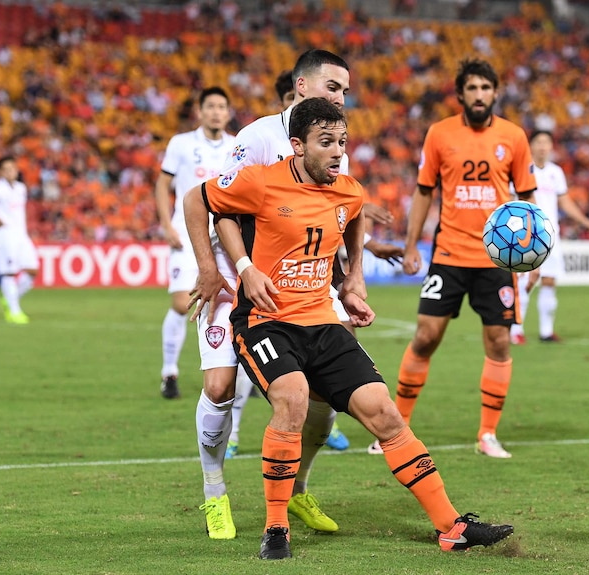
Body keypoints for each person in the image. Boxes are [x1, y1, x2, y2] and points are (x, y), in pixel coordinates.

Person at [185, 96, 515, 560]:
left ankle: (450, 527)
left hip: (322, 320)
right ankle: (276, 528)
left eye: (342, 141)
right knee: (293, 399)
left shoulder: (348, 189)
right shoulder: (260, 181)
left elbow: (354, 216)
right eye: (326, 142)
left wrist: (353, 280)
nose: (338, 151)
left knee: (385, 413)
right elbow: (197, 201)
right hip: (266, 321)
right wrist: (236, 267)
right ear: (297, 146)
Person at [215, 50, 402, 533]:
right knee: (218, 386)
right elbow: (213, 204)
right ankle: (215, 493)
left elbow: (343, 206)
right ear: (302, 86)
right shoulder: (256, 138)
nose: (342, 98)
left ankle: (297, 490)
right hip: (242, 282)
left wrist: (355, 272)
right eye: (334, 87)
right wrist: (221, 268)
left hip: (312, 288)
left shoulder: (331, 138)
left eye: (345, 91)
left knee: (321, 399)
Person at [375, 58, 537, 459]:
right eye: (472, 88)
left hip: (498, 261)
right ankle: (395, 430)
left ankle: (487, 435)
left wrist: (533, 259)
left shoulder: (514, 137)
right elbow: (424, 191)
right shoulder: (439, 134)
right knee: (426, 336)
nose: (479, 94)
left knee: (499, 341)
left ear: (495, 93)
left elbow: (529, 199)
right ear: (461, 94)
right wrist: (412, 245)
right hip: (448, 254)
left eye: (486, 88)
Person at [155, 87, 234, 399]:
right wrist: (165, 223)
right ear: (200, 112)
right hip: (185, 234)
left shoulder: (237, 145)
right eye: (210, 106)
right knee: (180, 303)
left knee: (231, 304)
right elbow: (163, 185)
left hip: (225, 238)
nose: (216, 112)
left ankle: (238, 372)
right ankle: (169, 371)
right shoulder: (181, 144)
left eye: (221, 107)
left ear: (228, 113)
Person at [510, 130, 589, 345]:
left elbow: (565, 202)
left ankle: (546, 331)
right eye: (538, 142)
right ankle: (516, 330)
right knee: (524, 282)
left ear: (552, 147)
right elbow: (508, 199)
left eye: (547, 142)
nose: (543, 147)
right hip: (526, 235)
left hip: (551, 236)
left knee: (549, 281)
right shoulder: (520, 169)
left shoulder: (555, 172)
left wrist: (585, 221)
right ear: (530, 146)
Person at [0, 155, 39, 324]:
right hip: (5, 235)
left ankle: (11, 298)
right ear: (0, 172)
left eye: (13, 168)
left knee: (33, 270)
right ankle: (14, 312)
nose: (11, 172)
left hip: (21, 234)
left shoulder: (21, 188)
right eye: (7, 169)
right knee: (10, 272)